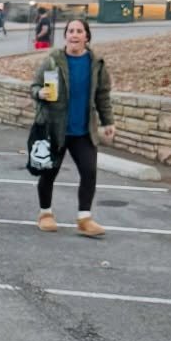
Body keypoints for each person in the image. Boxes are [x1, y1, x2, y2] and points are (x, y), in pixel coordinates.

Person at [30, 14, 116, 238]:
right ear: (65, 36)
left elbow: (102, 96)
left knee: (89, 172)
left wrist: (108, 122)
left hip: (83, 130)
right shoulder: (53, 60)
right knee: (49, 173)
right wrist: (39, 93)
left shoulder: (96, 64)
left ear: (87, 36)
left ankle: (84, 218)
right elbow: (34, 86)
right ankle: (45, 213)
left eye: (79, 31)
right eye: (71, 31)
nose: (74, 35)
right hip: (55, 129)